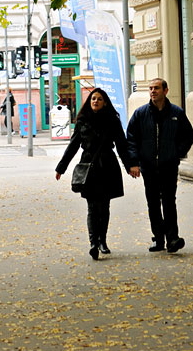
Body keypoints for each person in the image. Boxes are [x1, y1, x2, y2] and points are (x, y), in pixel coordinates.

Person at [55, 88, 133, 260]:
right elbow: (73, 145)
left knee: (104, 206)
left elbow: (121, 144)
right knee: (92, 207)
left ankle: (102, 241)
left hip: (107, 165)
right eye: (93, 99)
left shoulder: (112, 120)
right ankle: (93, 243)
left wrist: (130, 166)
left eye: (99, 99)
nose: (95, 101)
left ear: (105, 102)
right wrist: (61, 167)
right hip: (89, 166)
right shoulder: (82, 121)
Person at [127, 78, 193, 254]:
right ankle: (158, 238)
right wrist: (134, 162)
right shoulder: (140, 114)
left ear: (165, 90)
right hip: (148, 166)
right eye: (150, 88)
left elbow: (188, 136)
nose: (152, 91)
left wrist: (176, 153)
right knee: (153, 203)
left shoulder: (176, 113)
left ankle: (173, 238)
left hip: (168, 166)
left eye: (156, 88)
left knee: (169, 202)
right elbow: (131, 139)